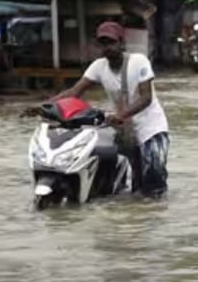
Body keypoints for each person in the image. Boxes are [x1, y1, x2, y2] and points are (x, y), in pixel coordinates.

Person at [51, 21, 170, 197]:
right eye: (103, 43)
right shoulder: (98, 67)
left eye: (111, 42)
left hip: (152, 128)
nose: (107, 47)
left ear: (122, 43)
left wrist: (119, 115)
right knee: (137, 184)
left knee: (154, 174)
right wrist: (46, 106)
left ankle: (157, 212)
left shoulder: (139, 62)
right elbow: (74, 92)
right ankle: (142, 219)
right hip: (127, 131)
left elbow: (146, 98)